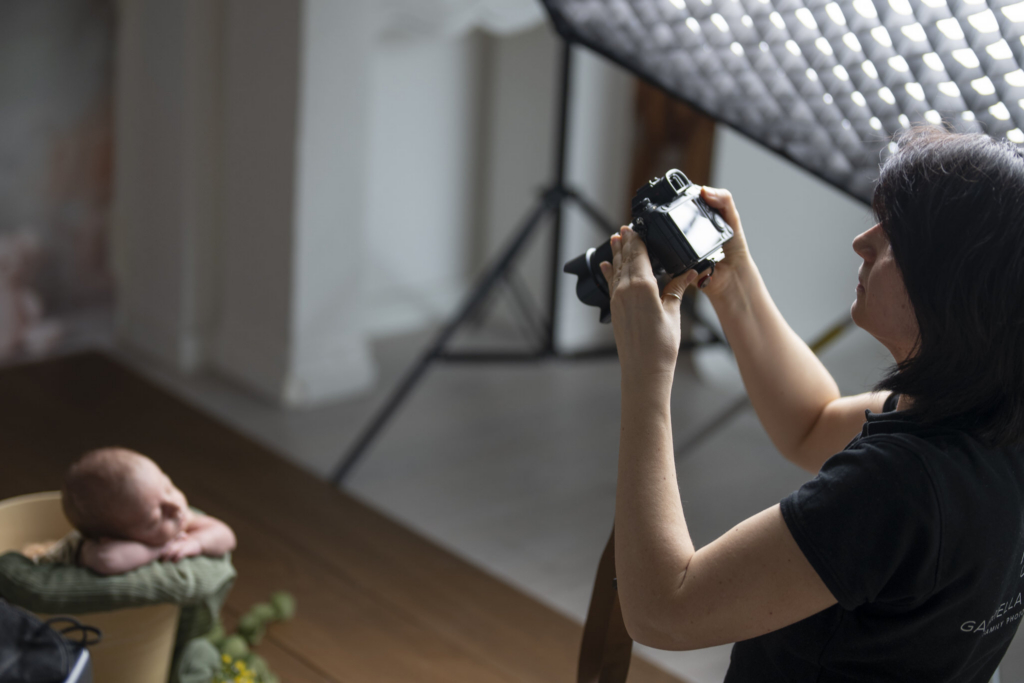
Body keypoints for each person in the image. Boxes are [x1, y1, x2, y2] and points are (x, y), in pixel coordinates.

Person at [598, 127, 1024, 682]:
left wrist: (647, 375)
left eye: (894, 236)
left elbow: (664, 610)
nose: (862, 242)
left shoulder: (899, 486)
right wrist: (734, 282)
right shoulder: (992, 417)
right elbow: (810, 423)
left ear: (955, 287)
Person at [21, 447, 236, 575]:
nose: (176, 508)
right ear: (111, 538)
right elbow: (108, 560)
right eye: (154, 519)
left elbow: (226, 535)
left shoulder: (175, 515)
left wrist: (197, 542)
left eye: (168, 487)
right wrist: (161, 549)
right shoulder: (94, 550)